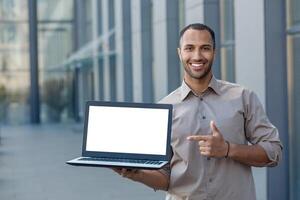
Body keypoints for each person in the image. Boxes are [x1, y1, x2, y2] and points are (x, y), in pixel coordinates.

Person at [113, 23, 282, 200]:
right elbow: (166, 178)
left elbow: (273, 152)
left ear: (214, 52)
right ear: (180, 53)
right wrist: (134, 174)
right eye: (189, 48)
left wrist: (227, 149)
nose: (197, 56)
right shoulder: (164, 107)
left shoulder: (243, 97)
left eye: (205, 48)